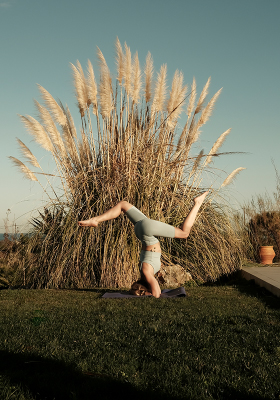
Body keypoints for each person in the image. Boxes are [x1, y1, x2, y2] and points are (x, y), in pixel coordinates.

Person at [78, 192, 209, 298]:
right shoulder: (145, 270)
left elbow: (157, 294)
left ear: (147, 285)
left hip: (147, 231)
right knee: (123, 204)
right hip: (141, 228)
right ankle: (95, 219)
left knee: (184, 233)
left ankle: (197, 203)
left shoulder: (147, 273)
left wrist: (148, 293)